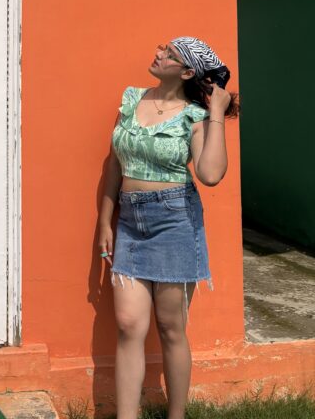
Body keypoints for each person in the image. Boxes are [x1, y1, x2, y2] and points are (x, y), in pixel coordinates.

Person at [98, 36, 239, 419]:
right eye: (162, 47)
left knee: (170, 327)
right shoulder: (131, 99)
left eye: (170, 54)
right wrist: (104, 220)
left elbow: (210, 174)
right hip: (129, 220)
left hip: (175, 221)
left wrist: (216, 112)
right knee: (129, 324)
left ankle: (176, 415)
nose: (159, 53)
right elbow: (115, 163)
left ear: (188, 70)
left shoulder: (194, 116)